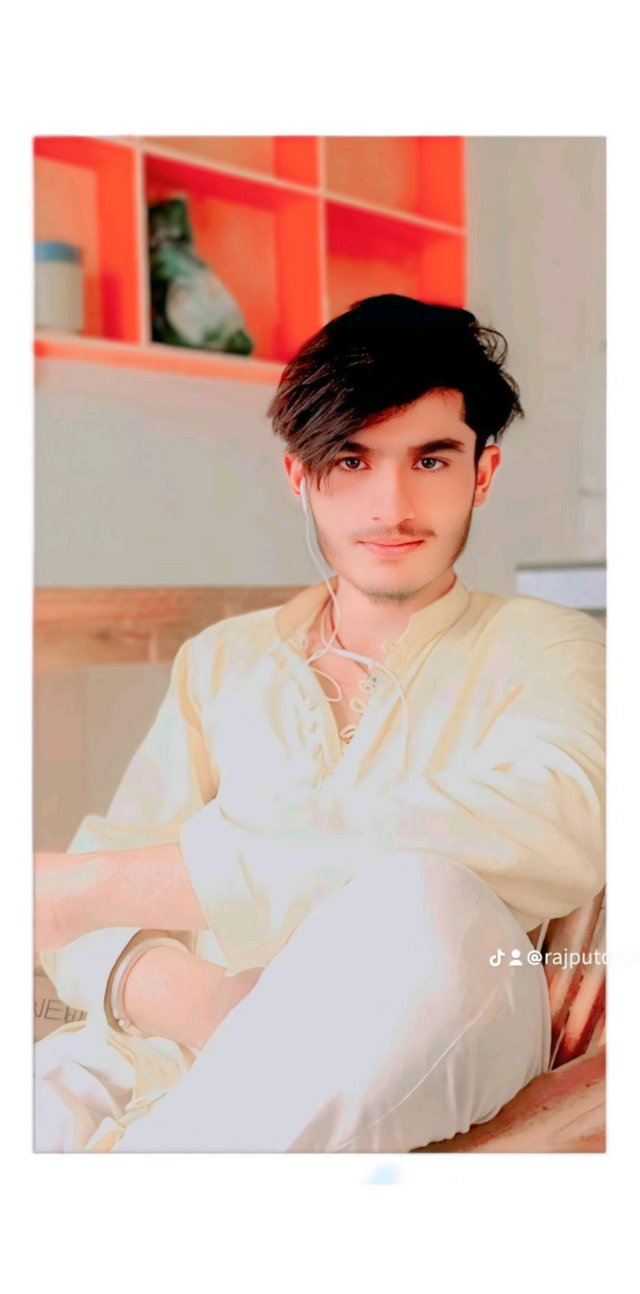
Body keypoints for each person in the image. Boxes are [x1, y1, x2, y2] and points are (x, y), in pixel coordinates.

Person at [34, 295, 605, 1152]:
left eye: (431, 459)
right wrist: (202, 1002)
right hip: (160, 1054)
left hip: (431, 1025)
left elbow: (558, 822)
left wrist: (101, 885)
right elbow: (76, 922)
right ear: (299, 478)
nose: (391, 503)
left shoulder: (552, 646)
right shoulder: (221, 661)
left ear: (482, 474)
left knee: (422, 897)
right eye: (350, 459)